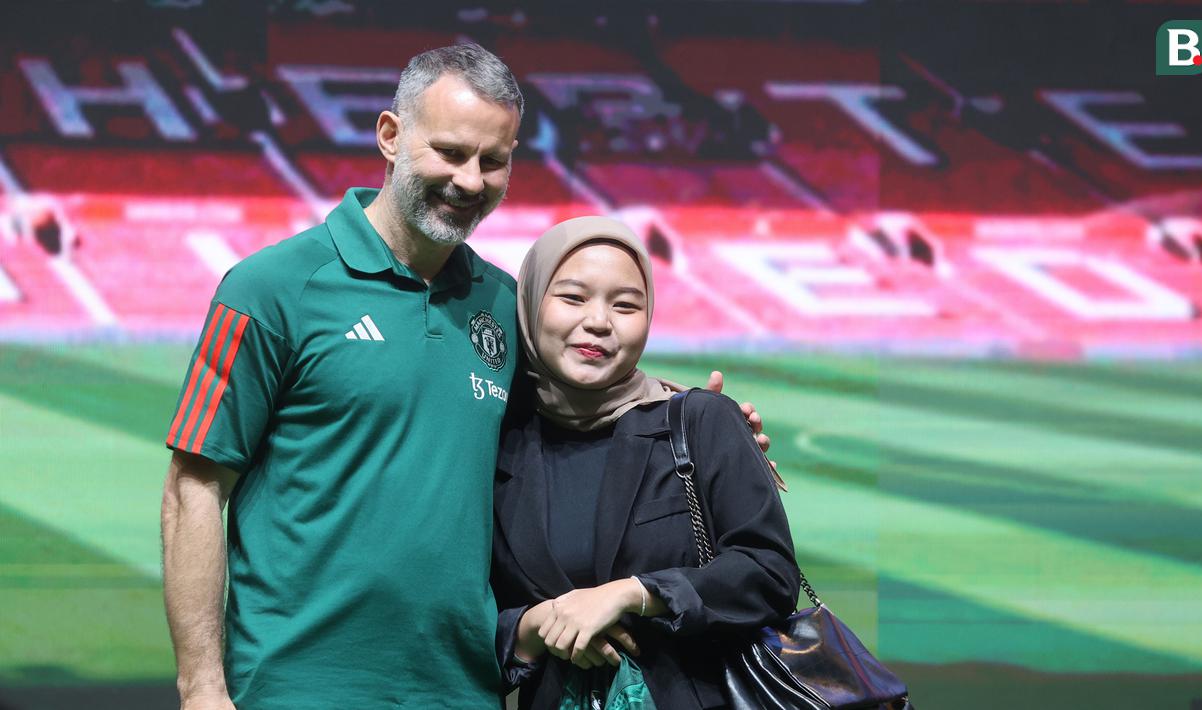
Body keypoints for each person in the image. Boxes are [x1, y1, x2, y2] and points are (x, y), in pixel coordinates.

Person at [160, 44, 773, 709]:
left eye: (494, 160)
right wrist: (201, 688)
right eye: (450, 153)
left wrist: (704, 427)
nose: (470, 181)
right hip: (299, 686)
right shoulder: (271, 287)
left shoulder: (501, 305)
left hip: (462, 689)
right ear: (390, 137)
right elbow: (193, 489)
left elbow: (582, 407)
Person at [491, 216, 799, 709]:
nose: (599, 321)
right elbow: (462, 610)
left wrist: (634, 593)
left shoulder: (701, 420)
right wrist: (533, 627)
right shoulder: (495, 440)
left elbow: (769, 574)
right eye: (572, 298)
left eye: (626, 305)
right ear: (530, 306)